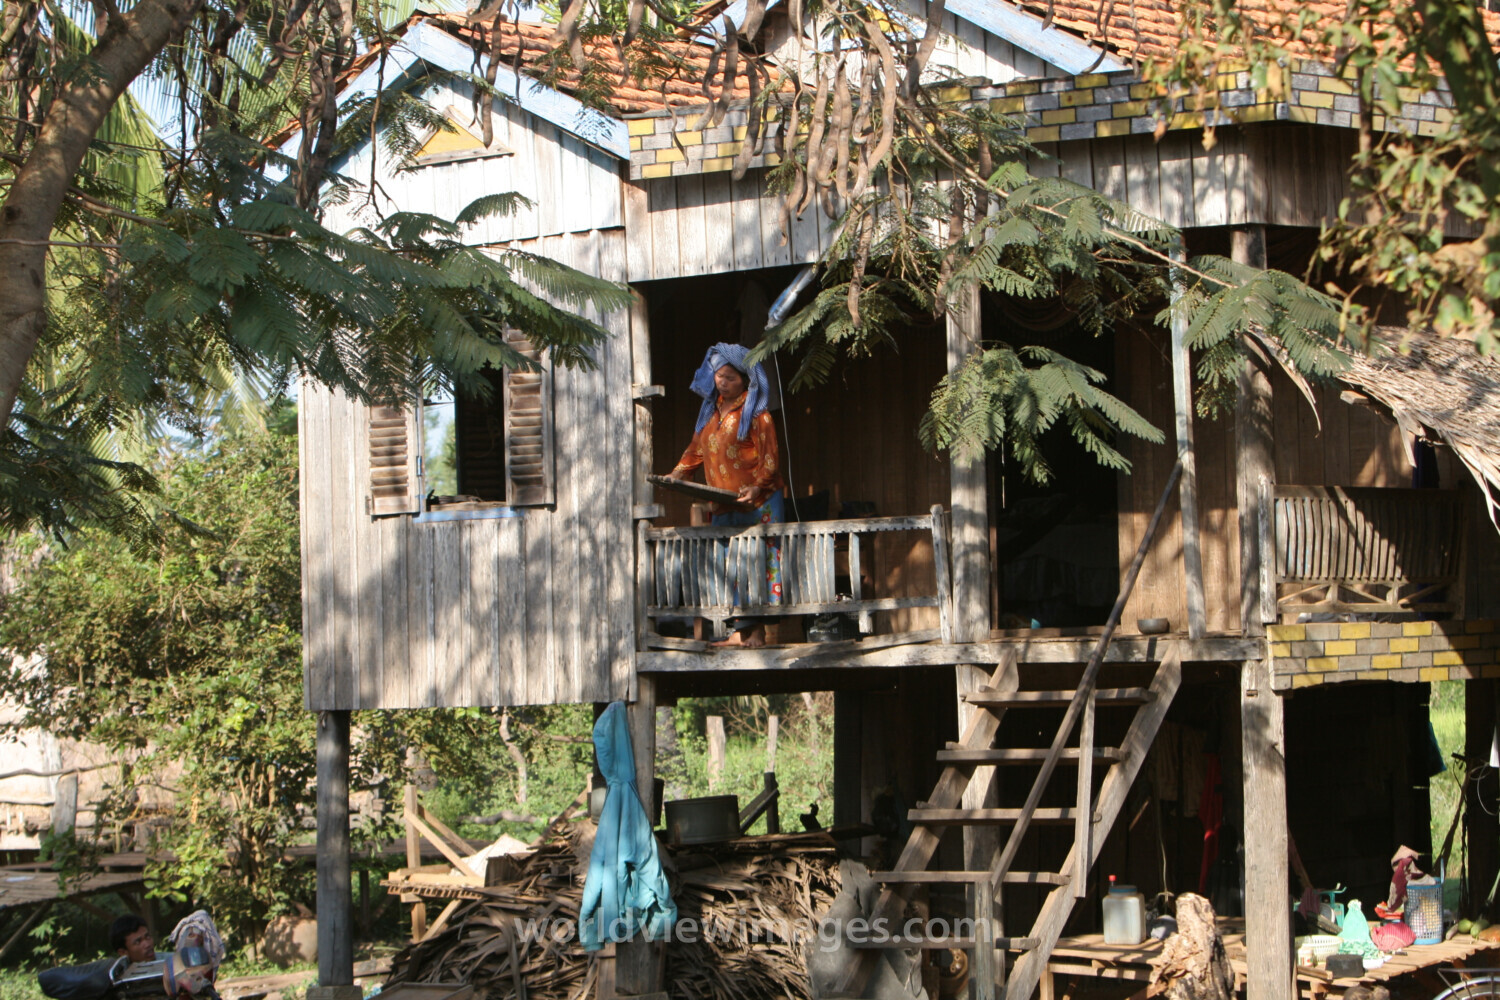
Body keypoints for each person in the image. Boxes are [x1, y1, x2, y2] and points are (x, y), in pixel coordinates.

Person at [667, 343, 786, 648]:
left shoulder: (757, 412)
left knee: (755, 562)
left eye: (730, 377)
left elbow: (770, 457)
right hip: (724, 502)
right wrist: (679, 473)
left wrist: (758, 485)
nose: (723, 382)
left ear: (745, 380)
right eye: (719, 376)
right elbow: (696, 450)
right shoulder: (710, 412)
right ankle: (739, 632)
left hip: (757, 502)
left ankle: (756, 633)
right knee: (730, 565)